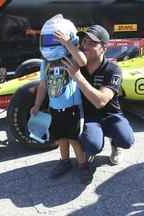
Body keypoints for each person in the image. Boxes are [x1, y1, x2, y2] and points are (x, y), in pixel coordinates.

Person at [61, 24, 135, 167]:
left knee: (126, 140)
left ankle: (115, 144)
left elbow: (100, 101)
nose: (85, 45)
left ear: (104, 49)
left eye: (92, 43)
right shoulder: (77, 64)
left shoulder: (113, 69)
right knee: (92, 145)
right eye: (84, 41)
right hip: (90, 118)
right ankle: (91, 144)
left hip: (111, 115)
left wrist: (78, 77)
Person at [30, 15, 91, 183]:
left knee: (74, 139)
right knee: (61, 138)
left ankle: (83, 165)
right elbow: (42, 85)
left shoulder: (71, 57)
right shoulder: (46, 62)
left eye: (57, 40)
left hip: (72, 107)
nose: (52, 44)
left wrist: (67, 44)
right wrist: (36, 105)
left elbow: (83, 60)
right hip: (55, 107)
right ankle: (64, 161)